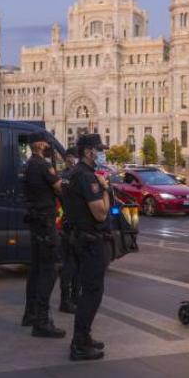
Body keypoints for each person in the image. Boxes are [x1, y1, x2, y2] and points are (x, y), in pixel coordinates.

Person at [65, 134, 111, 361]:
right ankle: (79, 344)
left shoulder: (75, 174)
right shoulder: (87, 177)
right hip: (91, 241)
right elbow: (101, 213)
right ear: (87, 151)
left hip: (81, 238)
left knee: (88, 291)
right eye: (97, 149)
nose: (100, 153)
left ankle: (84, 337)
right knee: (92, 293)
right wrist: (105, 189)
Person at [21, 131, 65, 338]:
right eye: (47, 143)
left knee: (36, 268)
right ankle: (42, 320)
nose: (49, 146)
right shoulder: (42, 165)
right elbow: (59, 188)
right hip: (45, 221)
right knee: (50, 268)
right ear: (39, 144)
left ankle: (30, 314)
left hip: (35, 219)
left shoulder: (29, 164)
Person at [58, 147, 81, 314]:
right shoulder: (69, 176)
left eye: (73, 157)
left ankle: (73, 296)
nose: (71, 160)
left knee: (75, 264)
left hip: (71, 223)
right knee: (70, 264)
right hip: (70, 224)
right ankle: (67, 299)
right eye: (69, 157)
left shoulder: (65, 176)